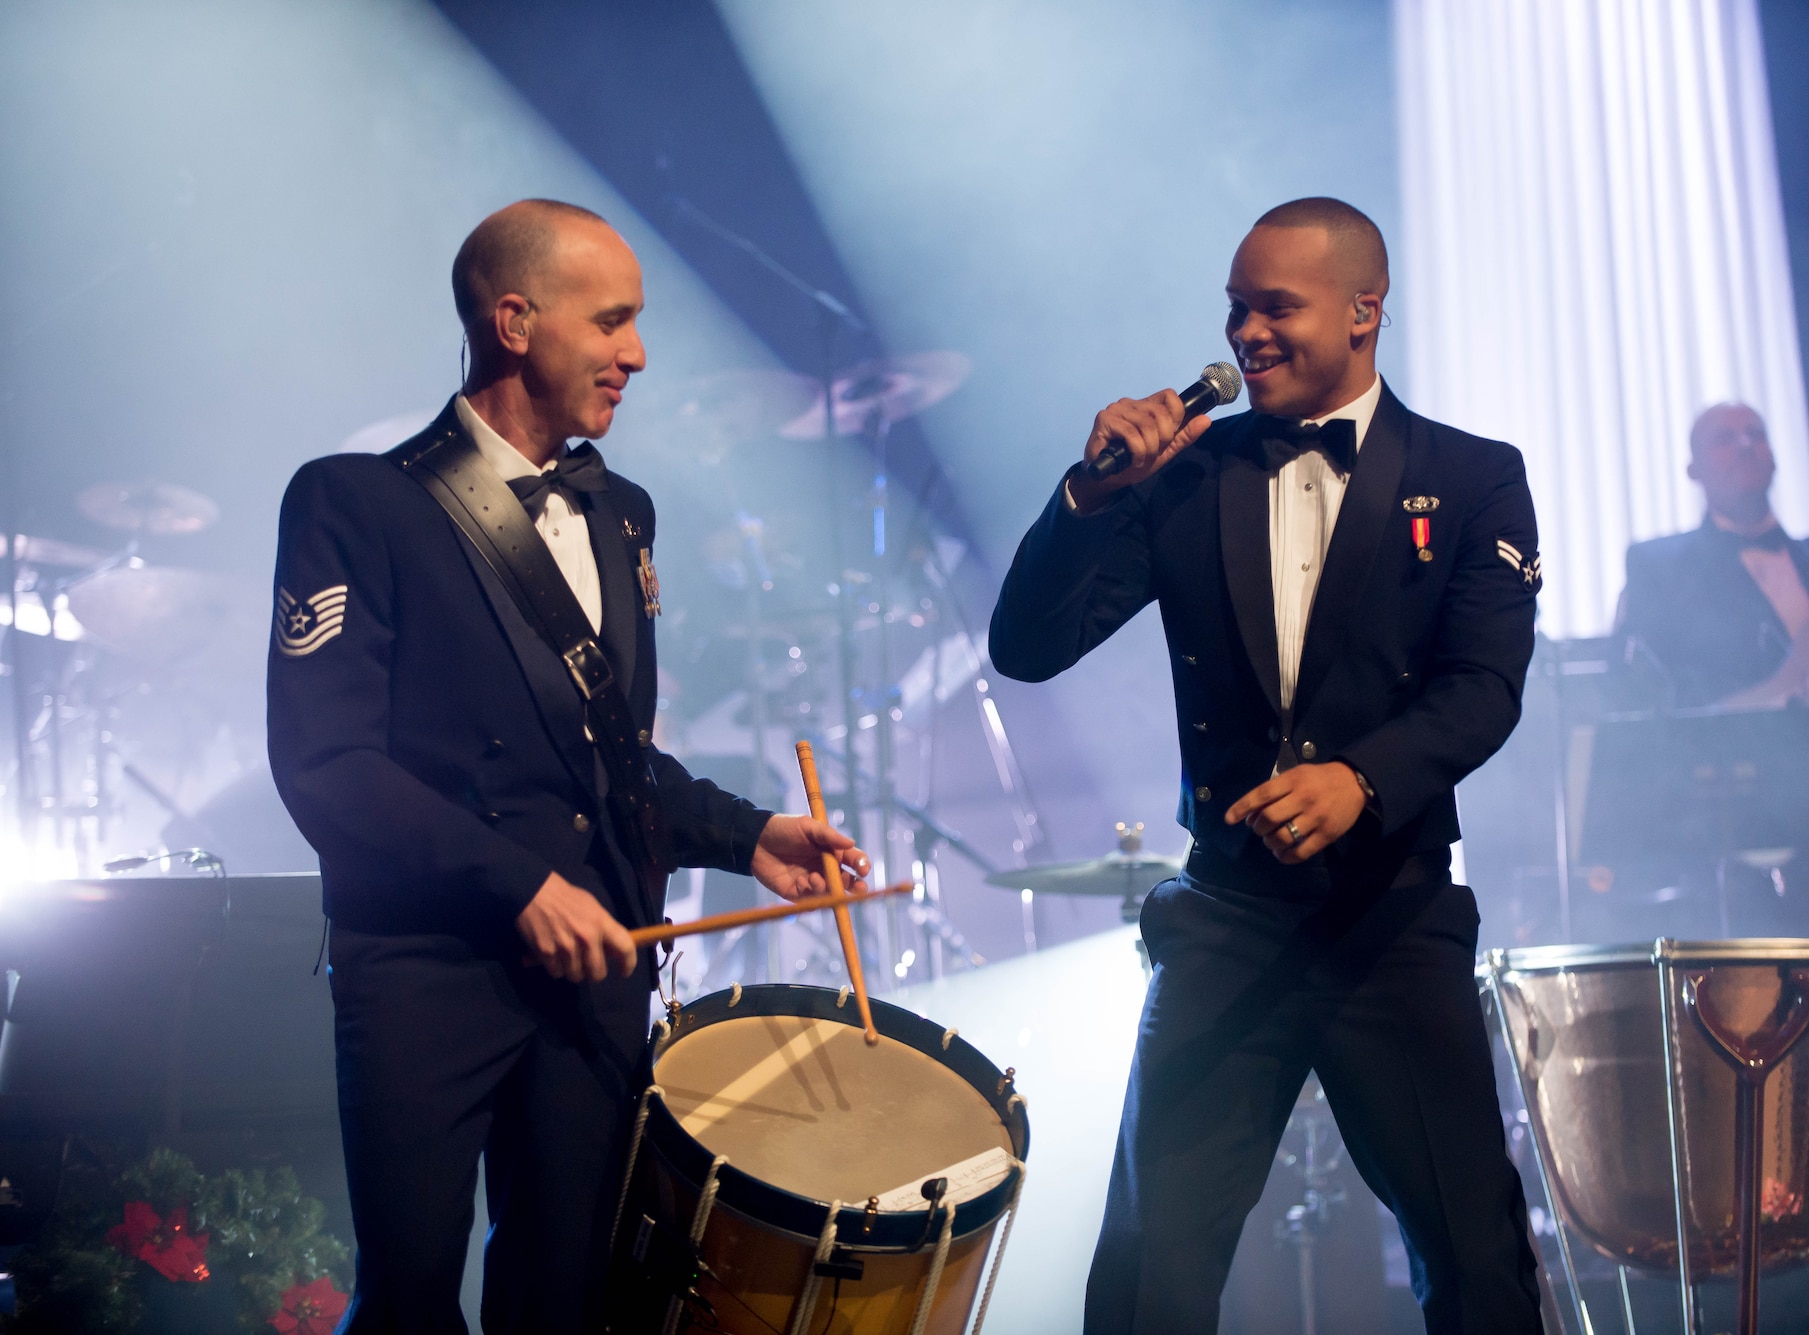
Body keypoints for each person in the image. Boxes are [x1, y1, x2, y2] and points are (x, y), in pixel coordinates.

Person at [266, 199, 865, 1333]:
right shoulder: (357, 503)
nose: (634, 354)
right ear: (513, 320)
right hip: (426, 971)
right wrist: (519, 885)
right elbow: (327, 767)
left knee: (566, 1300)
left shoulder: (619, 513)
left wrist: (747, 833)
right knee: (409, 1304)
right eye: (612, 322)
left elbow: (612, 758)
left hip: (594, 968)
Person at [990, 197, 1546, 1334]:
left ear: (1361, 312)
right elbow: (1027, 649)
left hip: (1391, 918)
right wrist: (1092, 494)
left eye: (1273, 307)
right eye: (1235, 308)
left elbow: (1482, 689)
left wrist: (1364, 779)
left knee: (1475, 1261)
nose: (1244, 332)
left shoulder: (1475, 474)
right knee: (1150, 1271)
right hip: (1226, 918)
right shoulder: (1188, 476)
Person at [1616, 403, 1809, 709]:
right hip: (1733, 750)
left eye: (1756, 435)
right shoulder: (1660, 566)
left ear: (1775, 460)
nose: (1745, 445)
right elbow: (1641, 689)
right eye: (1724, 439)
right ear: (1693, 470)